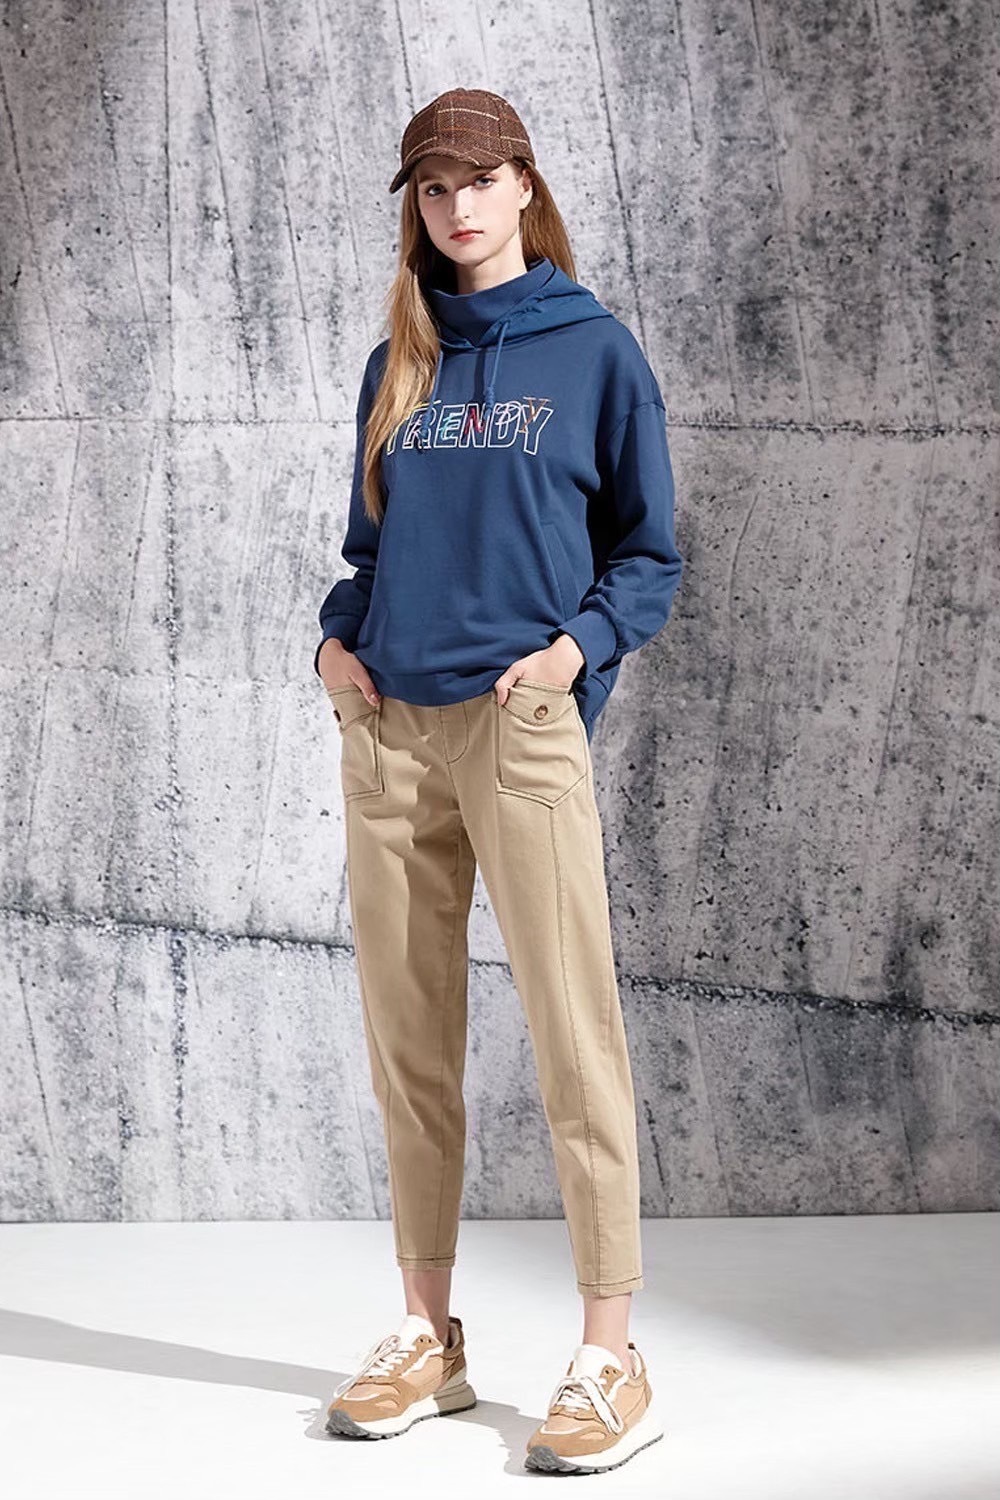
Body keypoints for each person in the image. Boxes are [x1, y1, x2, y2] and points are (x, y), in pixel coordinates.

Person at [316, 87, 683, 1475]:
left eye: (480, 179)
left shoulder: (595, 353)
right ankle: (430, 1336)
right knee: (410, 1045)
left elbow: (646, 555)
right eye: (433, 187)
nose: (458, 206)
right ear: (415, 207)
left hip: (518, 727)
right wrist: (337, 646)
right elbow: (368, 552)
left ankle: (611, 1353)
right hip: (390, 731)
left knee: (574, 1033)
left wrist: (568, 658)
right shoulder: (398, 360)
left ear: (526, 185)